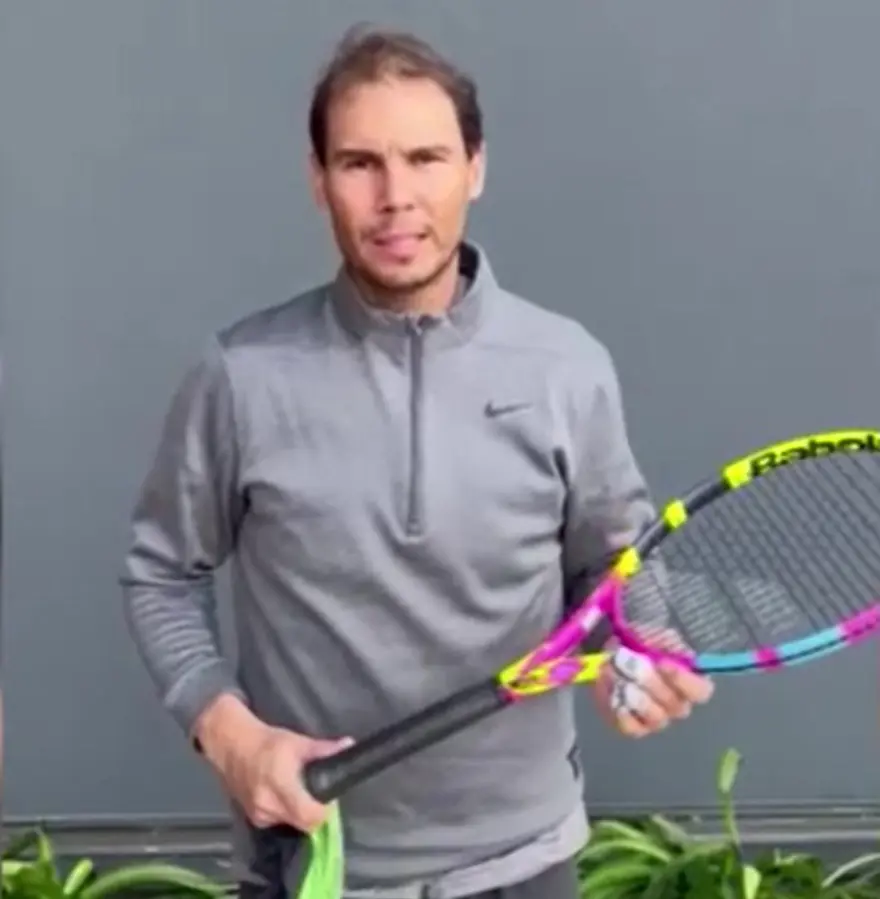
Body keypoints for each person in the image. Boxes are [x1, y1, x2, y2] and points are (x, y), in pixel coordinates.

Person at [120, 25, 714, 899]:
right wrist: (231, 736)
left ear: (475, 167)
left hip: (524, 863)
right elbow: (161, 572)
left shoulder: (566, 367)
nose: (396, 197)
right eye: (360, 163)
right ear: (318, 180)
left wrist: (640, 645)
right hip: (316, 862)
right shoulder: (242, 374)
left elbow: (614, 564)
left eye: (426, 158)